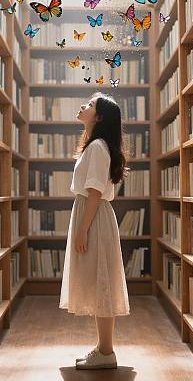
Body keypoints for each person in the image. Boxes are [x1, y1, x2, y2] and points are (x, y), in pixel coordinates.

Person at [59, 92, 130, 370]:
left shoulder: (98, 146)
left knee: (103, 282)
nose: (82, 106)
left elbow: (94, 192)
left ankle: (106, 352)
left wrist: (82, 230)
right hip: (91, 215)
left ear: (99, 117)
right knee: (99, 280)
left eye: (89, 105)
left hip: (94, 217)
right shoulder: (96, 145)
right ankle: (103, 349)